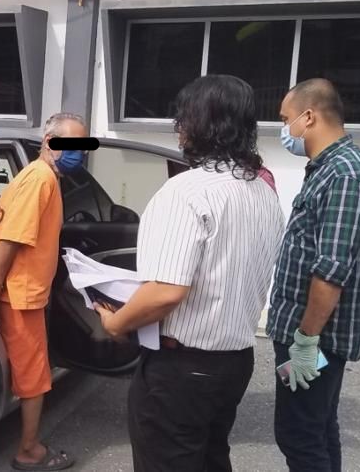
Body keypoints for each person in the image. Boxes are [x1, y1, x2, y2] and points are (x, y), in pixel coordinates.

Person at [93, 75, 285, 472]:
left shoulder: (186, 192)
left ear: (197, 124)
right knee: (212, 457)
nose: (178, 129)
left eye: (181, 119)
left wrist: (116, 323)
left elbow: (166, 291)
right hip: (235, 361)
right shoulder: (263, 193)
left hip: (182, 368)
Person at [267, 78, 360, 472]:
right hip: (311, 334)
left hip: (316, 339)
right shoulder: (328, 169)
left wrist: (305, 340)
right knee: (317, 430)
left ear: (309, 116)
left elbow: (330, 271)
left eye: (285, 119)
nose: (284, 129)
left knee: (299, 436)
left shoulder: (344, 175)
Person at [0, 112, 86, 471]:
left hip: (15, 287)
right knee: (34, 374)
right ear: (50, 142)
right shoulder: (41, 179)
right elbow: (13, 236)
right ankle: (29, 450)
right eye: (73, 145)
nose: (79, 153)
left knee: (22, 368)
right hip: (20, 293)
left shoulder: (31, 175)